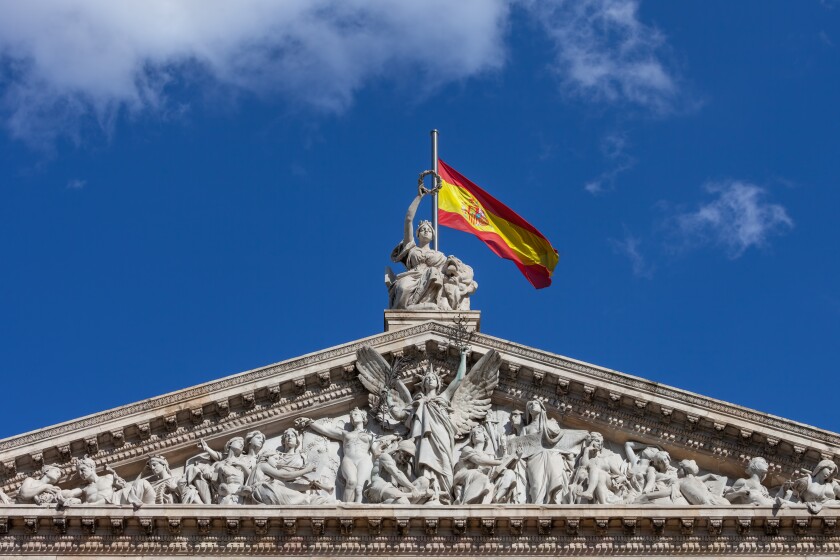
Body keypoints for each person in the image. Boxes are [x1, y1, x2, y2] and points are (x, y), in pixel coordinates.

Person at [298, 407, 374, 503]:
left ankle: (357, 510)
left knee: (359, 488)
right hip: (349, 459)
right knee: (351, 482)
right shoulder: (345, 434)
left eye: (355, 414)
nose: (352, 417)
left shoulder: (370, 436)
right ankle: (347, 508)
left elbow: (377, 451)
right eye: (351, 416)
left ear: (363, 417)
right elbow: (326, 430)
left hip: (364, 459)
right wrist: (310, 422)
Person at [452, 425, 520, 504]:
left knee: (509, 473)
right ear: (471, 439)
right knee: (482, 477)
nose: (475, 434)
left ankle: (496, 498)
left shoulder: (489, 456)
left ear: (485, 437)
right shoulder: (467, 449)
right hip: (465, 475)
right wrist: (501, 462)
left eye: (479, 432)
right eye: (473, 434)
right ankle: (466, 503)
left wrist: (509, 460)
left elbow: (494, 472)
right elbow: (479, 460)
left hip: (485, 478)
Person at [61, 456, 155, 507]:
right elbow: (70, 493)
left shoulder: (108, 477)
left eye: (82, 469)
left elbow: (126, 487)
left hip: (113, 505)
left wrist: (141, 474)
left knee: (141, 483)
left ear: (91, 467)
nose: (81, 473)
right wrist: (59, 493)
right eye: (79, 472)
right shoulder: (84, 488)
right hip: (94, 513)